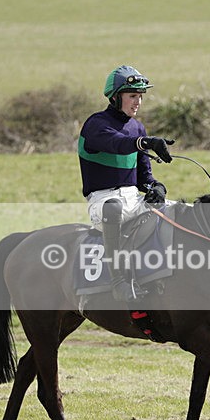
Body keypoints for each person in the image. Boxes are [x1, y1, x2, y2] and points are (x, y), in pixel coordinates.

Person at [78, 65, 174, 302]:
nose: (138, 102)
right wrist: (145, 142)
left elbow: (144, 178)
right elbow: (118, 143)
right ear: (115, 97)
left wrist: (156, 188)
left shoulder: (137, 128)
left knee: (177, 210)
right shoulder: (95, 124)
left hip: (133, 199)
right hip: (103, 202)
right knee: (114, 207)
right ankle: (118, 281)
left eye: (140, 96)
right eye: (132, 96)